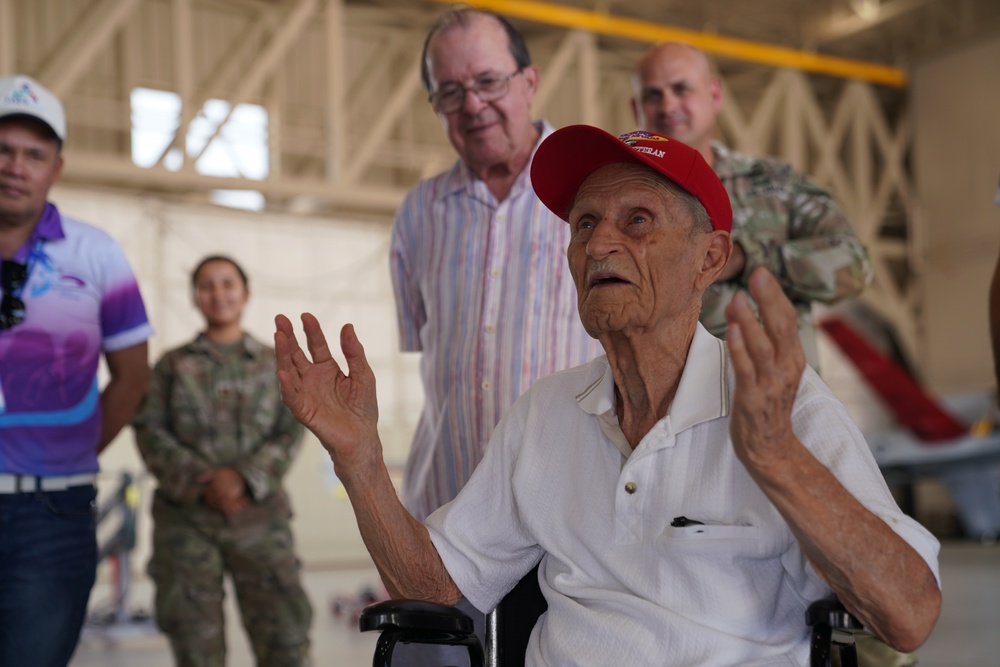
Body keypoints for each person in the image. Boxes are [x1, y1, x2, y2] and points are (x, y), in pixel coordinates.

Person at [274, 126, 941, 665]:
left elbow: (909, 616)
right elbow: (434, 587)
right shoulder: (544, 413)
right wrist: (359, 459)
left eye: (638, 219)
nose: (600, 243)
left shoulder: (782, 407)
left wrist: (776, 458)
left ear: (710, 259)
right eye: (584, 223)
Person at [389, 8, 601, 658]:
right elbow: (430, 352)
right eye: (449, 91)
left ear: (529, 80)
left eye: (488, 81)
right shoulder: (420, 213)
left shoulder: (594, 193)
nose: (472, 104)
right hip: (444, 521)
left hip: (570, 529)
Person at [0, 75, 153, 667]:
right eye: (4, 149)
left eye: (34, 154)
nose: (16, 166)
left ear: (56, 168)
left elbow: (133, 377)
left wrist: (70, 451)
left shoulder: (97, 255)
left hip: (52, 514)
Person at [631, 42, 873, 371]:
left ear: (714, 95)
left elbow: (855, 264)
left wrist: (746, 259)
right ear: (636, 109)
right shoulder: (623, 203)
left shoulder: (774, 184)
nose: (667, 105)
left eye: (681, 89)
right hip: (671, 406)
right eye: (652, 95)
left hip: (784, 395)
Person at [133, 255, 312, 667]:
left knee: (286, 643)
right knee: (196, 650)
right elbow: (149, 429)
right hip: (187, 527)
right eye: (207, 285)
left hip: (260, 522)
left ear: (245, 293)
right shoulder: (172, 365)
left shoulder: (275, 364)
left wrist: (243, 478)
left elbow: (291, 429)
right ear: (196, 296)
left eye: (227, 284)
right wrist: (204, 480)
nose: (218, 294)